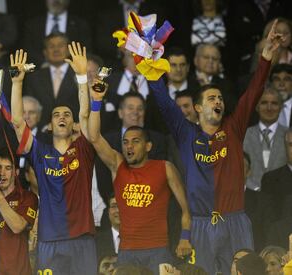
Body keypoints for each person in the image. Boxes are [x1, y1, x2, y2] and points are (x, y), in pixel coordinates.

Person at [145, 19, 285, 275]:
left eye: (220, 97)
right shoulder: (185, 133)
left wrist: (266, 56)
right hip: (200, 225)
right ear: (198, 108)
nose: (218, 100)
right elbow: (165, 104)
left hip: (235, 220)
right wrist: (153, 76)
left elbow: (253, 92)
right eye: (211, 98)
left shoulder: (233, 128)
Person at [10, 42, 98, 274]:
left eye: (67, 115)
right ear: (50, 125)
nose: (62, 117)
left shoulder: (84, 148)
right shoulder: (40, 152)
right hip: (49, 240)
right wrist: (17, 82)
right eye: (56, 114)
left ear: (73, 123)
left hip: (82, 238)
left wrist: (81, 78)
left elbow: (86, 114)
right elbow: (18, 123)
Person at [88, 82, 192, 274]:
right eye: (126, 142)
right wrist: (96, 102)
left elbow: (186, 208)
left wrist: (185, 237)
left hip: (158, 250)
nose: (129, 147)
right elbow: (94, 138)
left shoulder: (165, 168)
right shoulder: (118, 166)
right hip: (127, 250)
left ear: (148, 146)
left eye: (136, 142)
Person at [243, 89, 288, 191]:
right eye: (264, 103)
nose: (269, 108)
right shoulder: (244, 135)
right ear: (257, 107)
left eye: (274, 103)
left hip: (283, 198)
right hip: (250, 197)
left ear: (280, 108)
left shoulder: (289, 136)